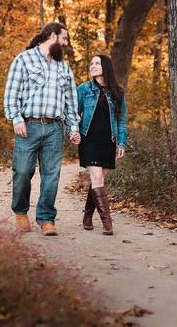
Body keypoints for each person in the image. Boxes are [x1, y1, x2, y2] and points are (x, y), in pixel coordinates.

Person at [3, 22, 81, 236]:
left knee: (52, 175)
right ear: (53, 36)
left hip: (55, 128)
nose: (65, 43)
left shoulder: (64, 68)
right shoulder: (24, 59)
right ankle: (20, 211)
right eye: (64, 39)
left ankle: (46, 218)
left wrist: (73, 127)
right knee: (23, 172)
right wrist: (16, 119)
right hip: (28, 126)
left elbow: (71, 103)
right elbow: (11, 93)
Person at [77, 54, 127, 235]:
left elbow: (122, 120)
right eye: (91, 63)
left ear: (106, 66)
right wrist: (73, 131)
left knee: (98, 180)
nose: (92, 66)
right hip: (88, 139)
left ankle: (87, 215)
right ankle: (107, 221)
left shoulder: (117, 92)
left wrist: (121, 142)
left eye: (97, 63)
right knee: (97, 177)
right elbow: (74, 113)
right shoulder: (84, 89)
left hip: (108, 141)